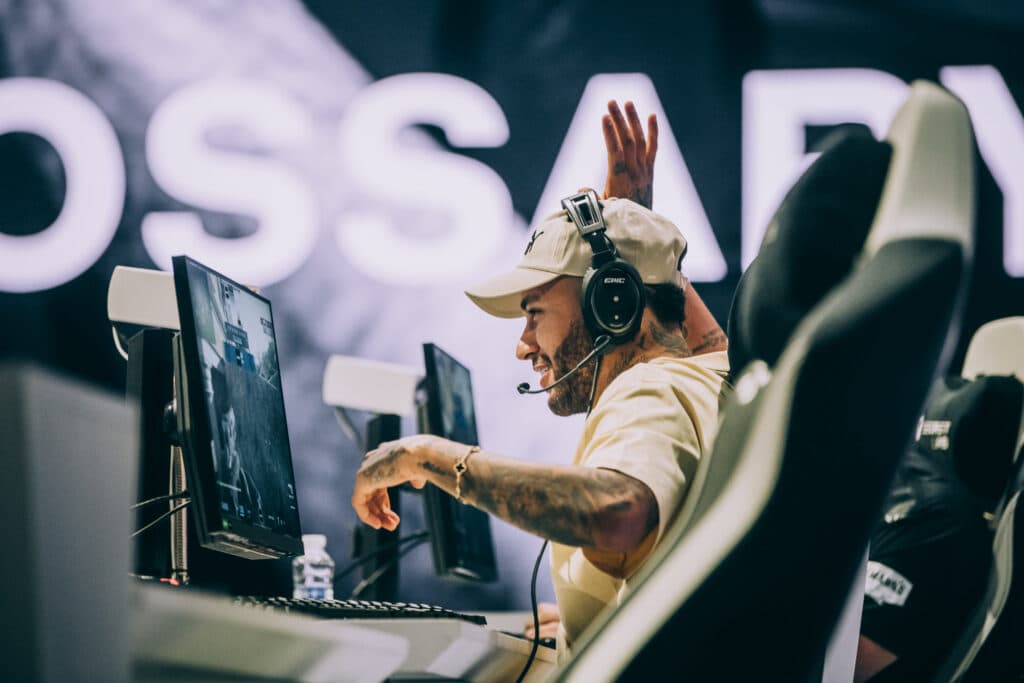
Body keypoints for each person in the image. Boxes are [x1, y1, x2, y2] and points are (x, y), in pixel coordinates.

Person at [351, 100, 731, 658]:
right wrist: (629, 236)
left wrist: (428, 457)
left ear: (610, 307)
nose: (524, 344)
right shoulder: (714, 376)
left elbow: (618, 512)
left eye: (534, 313)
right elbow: (701, 337)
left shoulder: (647, 391)